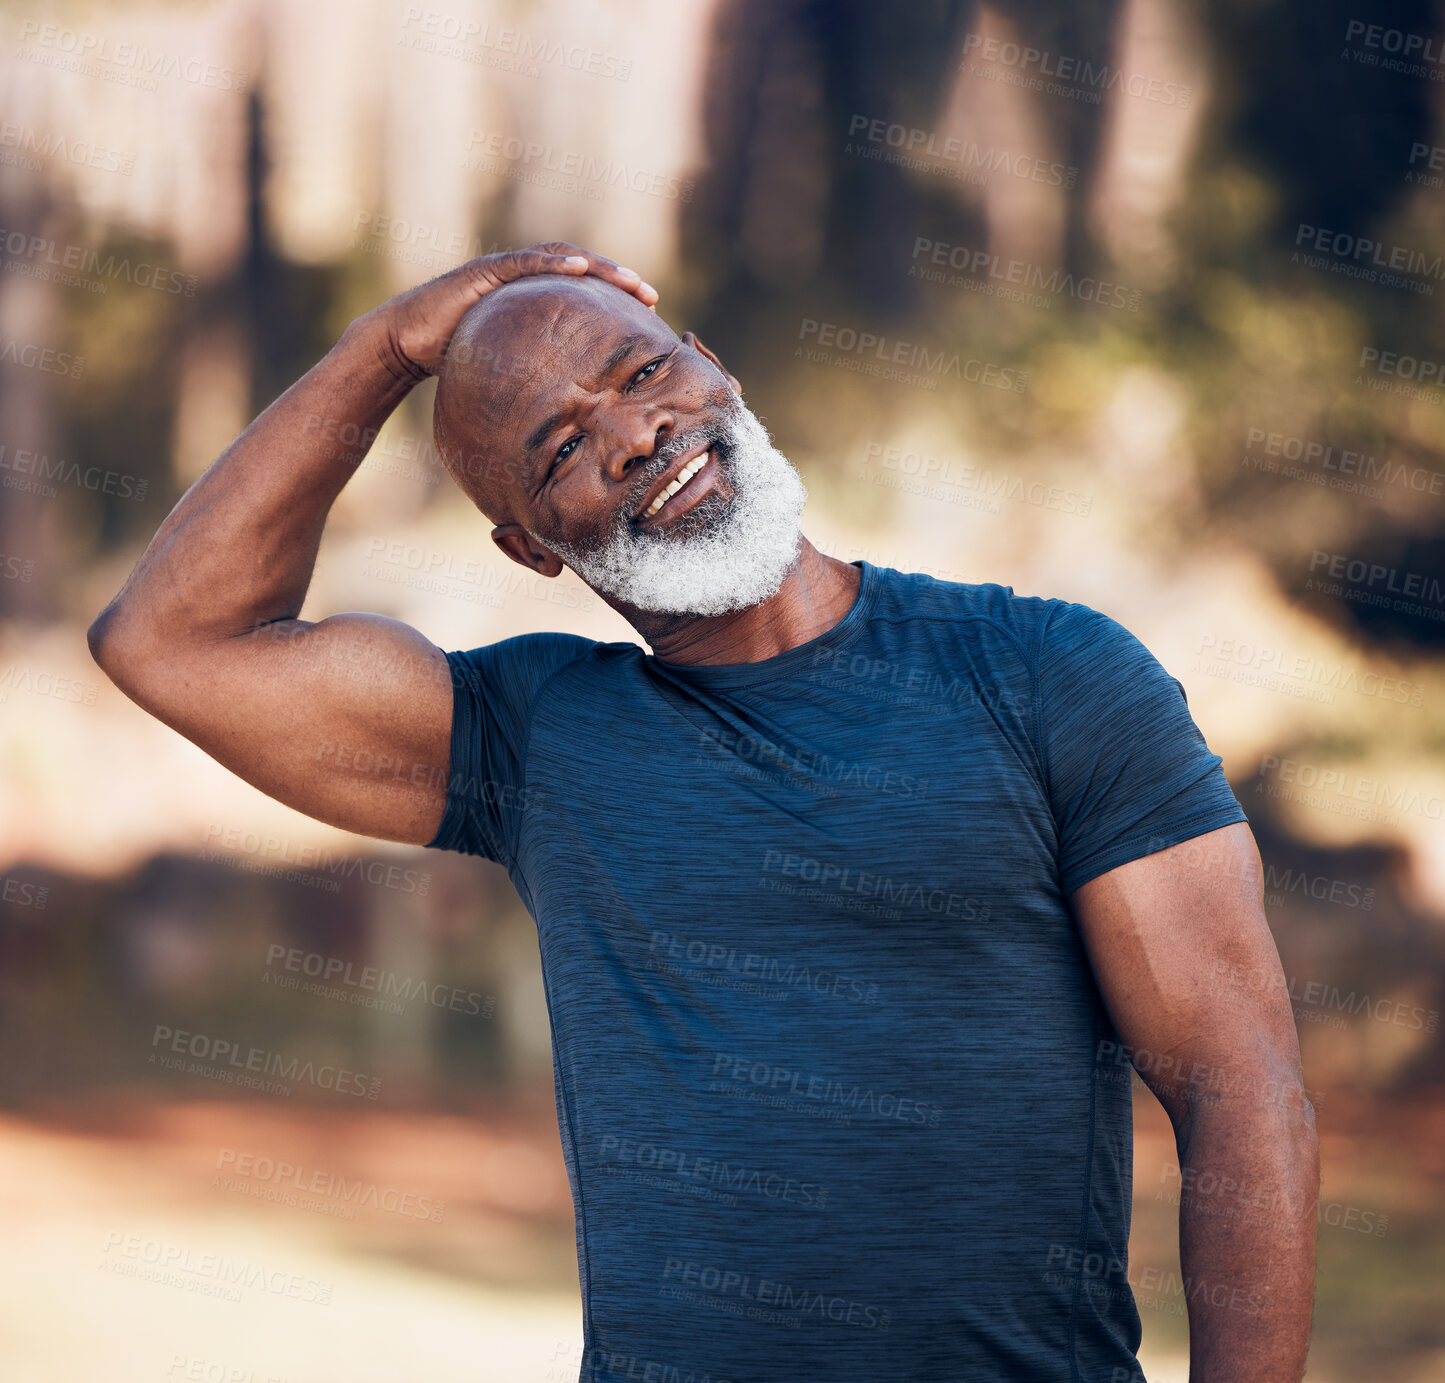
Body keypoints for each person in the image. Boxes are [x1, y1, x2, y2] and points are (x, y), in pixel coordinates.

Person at [88, 242, 1319, 1382]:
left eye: (642, 370)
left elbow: (1236, 1085)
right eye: (559, 450)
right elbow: (170, 642)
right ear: (527, 547)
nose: (633, 434)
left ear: (715, 372)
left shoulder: (1046, 672)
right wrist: (383, 351)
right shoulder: (531, 738)